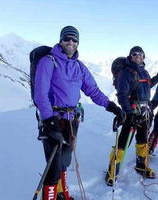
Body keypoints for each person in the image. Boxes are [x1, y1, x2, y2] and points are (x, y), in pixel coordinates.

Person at [34, 26, 126, 200]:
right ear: (61, 41)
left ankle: (62, 194)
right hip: (53, 120)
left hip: (71, 120)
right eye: (67, 39)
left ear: (78, 43)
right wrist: (49, 120)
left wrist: (112, 106)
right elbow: (41, 94)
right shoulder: (48, 62)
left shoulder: (79, 67)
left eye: (74, 40)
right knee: (53, 167)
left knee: (65, 162)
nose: (70, 42)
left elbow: (93, 90)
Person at [105, 46, 155, 186]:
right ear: (130, 56)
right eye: (135, 54)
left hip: (144, 113)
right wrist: (128, 112)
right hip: (132, 113)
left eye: (141, 54)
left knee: (142, 140)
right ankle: (112, 171)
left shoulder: (144, 72)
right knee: (122, 143)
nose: (138, 56)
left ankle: (141, 165)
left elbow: (147, 88)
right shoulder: (126, 73)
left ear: (144, 57)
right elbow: (122, 95)